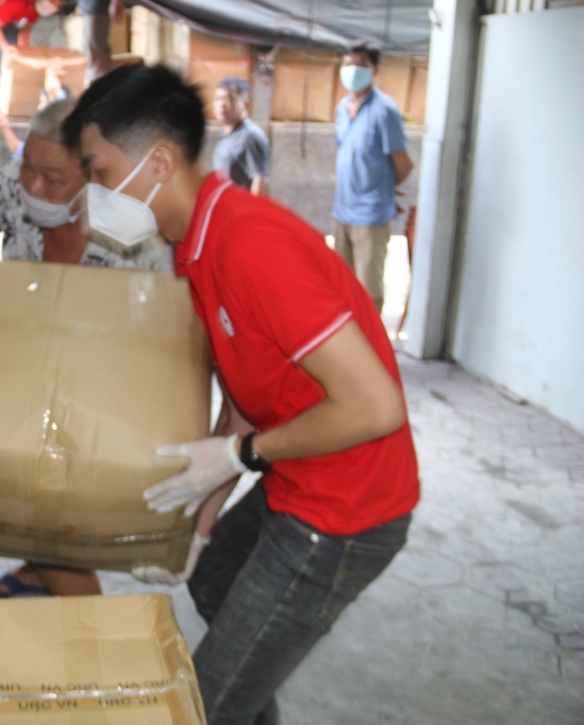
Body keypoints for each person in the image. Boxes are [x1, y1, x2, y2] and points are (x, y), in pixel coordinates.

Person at [63, 64, 419, 725]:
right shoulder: (196, 246)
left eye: (98, 171)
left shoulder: (252, 245)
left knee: (206, 703)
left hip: (346, 510)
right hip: (302, 478)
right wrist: (197, 531)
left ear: (158, 162)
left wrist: (241, 456)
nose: (93, 192)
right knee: (213, 576)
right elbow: (242, 404)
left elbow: (375, 408)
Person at [0, 97, 173, 597]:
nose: (33, 187)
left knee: (50, 514)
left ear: (96, 176)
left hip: (104, 388)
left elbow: (160, 353)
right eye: (27, 166)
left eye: (53, 178)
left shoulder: (138, 243)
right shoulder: (20, 181)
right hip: (30, 368)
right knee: (30, 491)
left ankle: (91, 630)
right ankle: (36, 568)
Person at [333, 40, 414, 312]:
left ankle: (371, 337)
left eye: (361, 65)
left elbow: (404, 164)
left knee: (368, 291)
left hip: (370, 216)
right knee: (340, 287)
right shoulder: (343, 108)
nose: (353, 70)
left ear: (374, 70)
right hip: (342, 211)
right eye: (348, 64)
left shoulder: (384, 111)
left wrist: (383, 188)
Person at [212, 78, 270, 195]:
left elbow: (260, 179)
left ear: (246, 105)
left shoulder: (250, 136)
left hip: (240, 205)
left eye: (229, 99)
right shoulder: (227, 136)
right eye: (218, 99)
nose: (221, 105)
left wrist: (251, 207)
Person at [77, 0, 122, 82]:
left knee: (95, 47)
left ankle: (102, 79)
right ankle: (102, 79)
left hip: (95, 9)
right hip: (91, 9)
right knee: (93, 47)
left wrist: (115, 0)